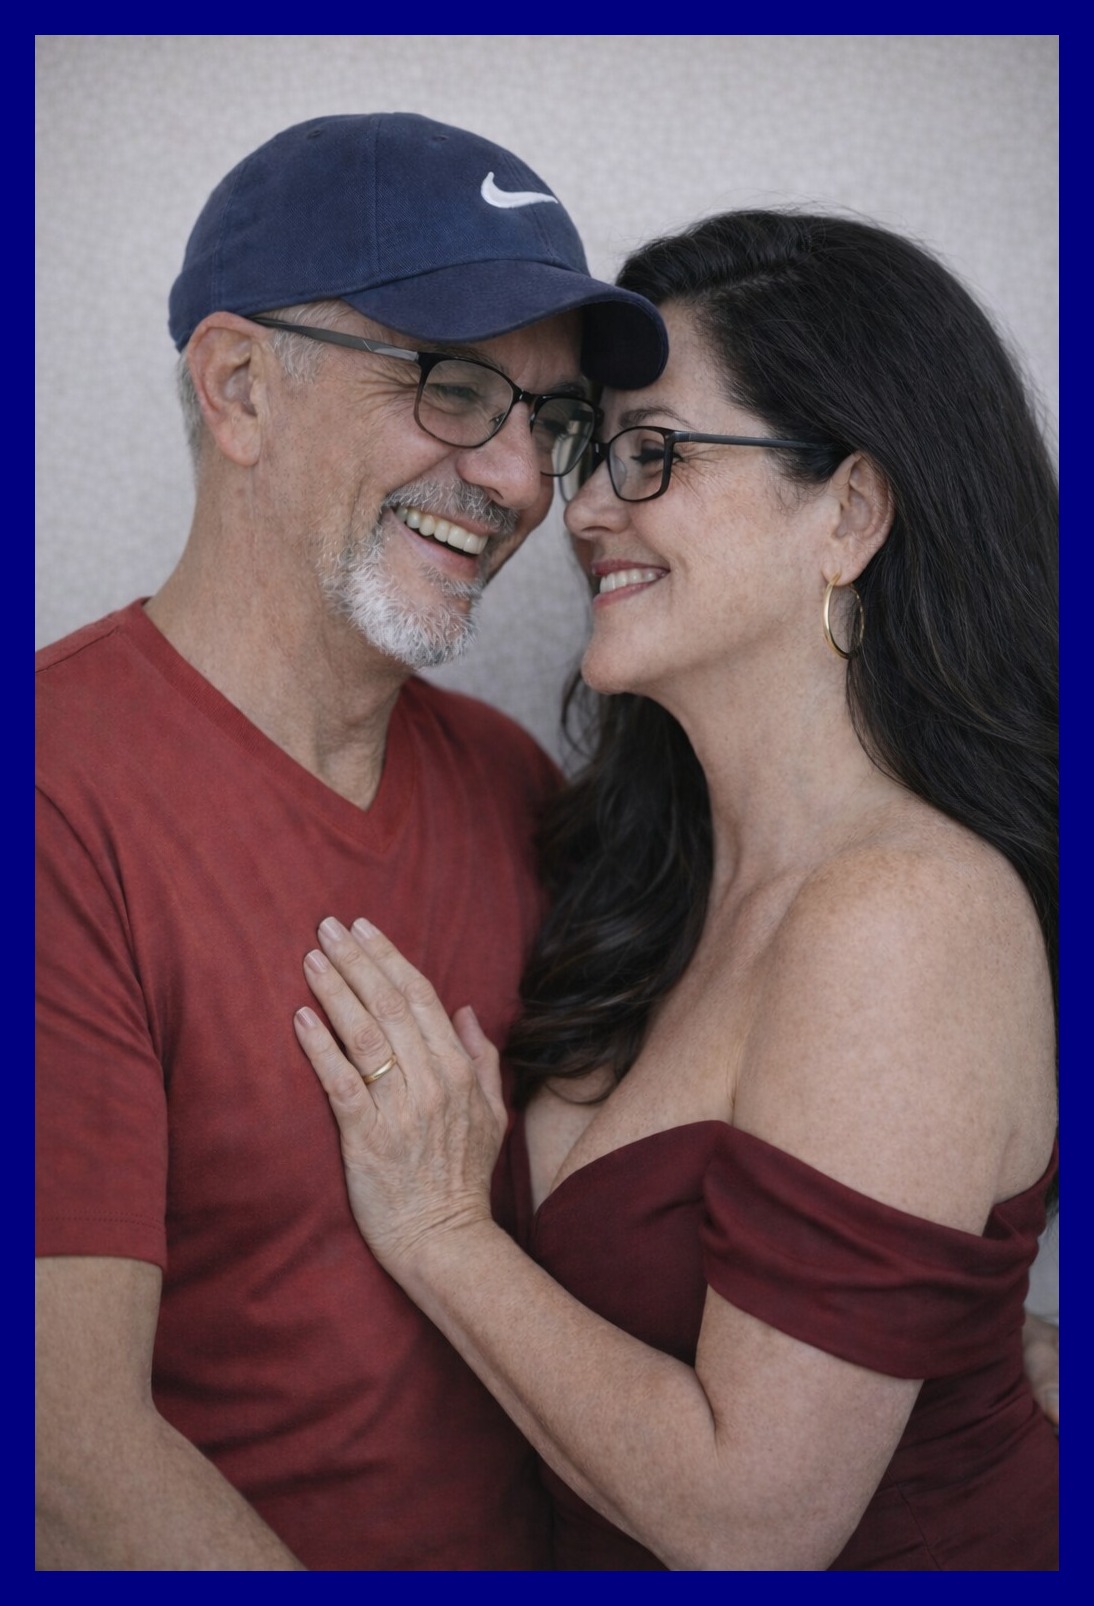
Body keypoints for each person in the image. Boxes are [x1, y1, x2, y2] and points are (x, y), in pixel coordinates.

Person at [295, 208, 1059, 1569]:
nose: (583, 508)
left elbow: (753, 1522)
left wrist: (441, 1228)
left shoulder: (906, 916)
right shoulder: (634, 867)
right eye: (594, 450)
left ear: (850, 513)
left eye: (652, 453)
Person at [34, 112, 668, 1570]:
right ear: (240, 386)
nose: (521, 481)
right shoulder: (53, 796)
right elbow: (64, 1451)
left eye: (551, 419)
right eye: (454, 386)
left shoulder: (510, 782)